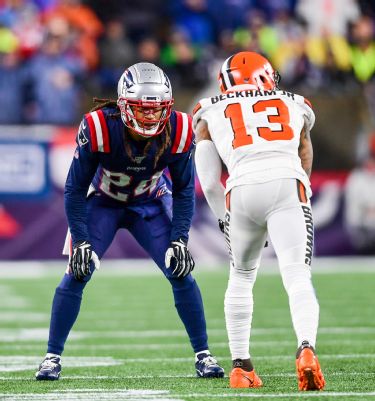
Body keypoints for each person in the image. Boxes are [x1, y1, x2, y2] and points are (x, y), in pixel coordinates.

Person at [35, 62, 224, 380]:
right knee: (77, 270)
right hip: (104, 204)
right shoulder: (99, 126)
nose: (150, 116)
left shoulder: (178, 128)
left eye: (156, 109)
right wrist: (81, 239)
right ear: (124, 104)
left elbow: (184, 189)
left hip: (150, 204)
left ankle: (204, 355)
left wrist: (180, 238)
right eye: (142, 108)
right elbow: (75, 188)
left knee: (179, 270)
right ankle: (51, 357)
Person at [193, 51, 325, 391]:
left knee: (240, 276)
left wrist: (224, 219)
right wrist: (302, 190)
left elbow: (208, 180)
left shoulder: (210, 107)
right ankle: (306, 348)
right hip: (287, 182)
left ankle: (242, 367)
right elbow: (304, 150)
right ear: (265, 76)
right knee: (297, 274)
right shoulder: (294, 101)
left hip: (241, 189)